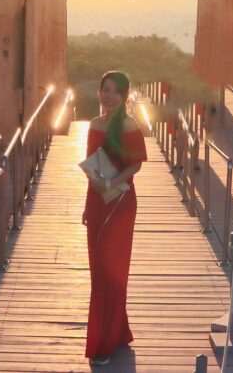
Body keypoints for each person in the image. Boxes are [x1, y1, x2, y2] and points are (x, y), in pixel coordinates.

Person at [82, 70, 147, 366]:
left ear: (124, 96)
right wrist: (88, 205)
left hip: (120, 203)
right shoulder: (94, 124)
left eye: (115, 91)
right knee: (100, 272)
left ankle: (103, 344)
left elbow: (135, 166)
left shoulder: (129, 124)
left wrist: (111, 183)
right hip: (97, 202)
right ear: (99, 92)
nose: (109, 96)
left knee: (111, 273)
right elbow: (92, 167)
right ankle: (117, 332)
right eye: (105, 89)